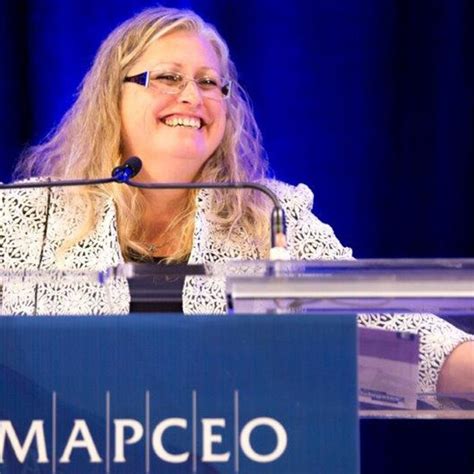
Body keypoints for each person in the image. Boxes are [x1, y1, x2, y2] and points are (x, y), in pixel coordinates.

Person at [0, 7, 472, 395]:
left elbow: (388, 328)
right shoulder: (28, 216)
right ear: (112, 98)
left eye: (209, 82)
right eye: (167, 77)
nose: (192, 96)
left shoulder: (270, 215)